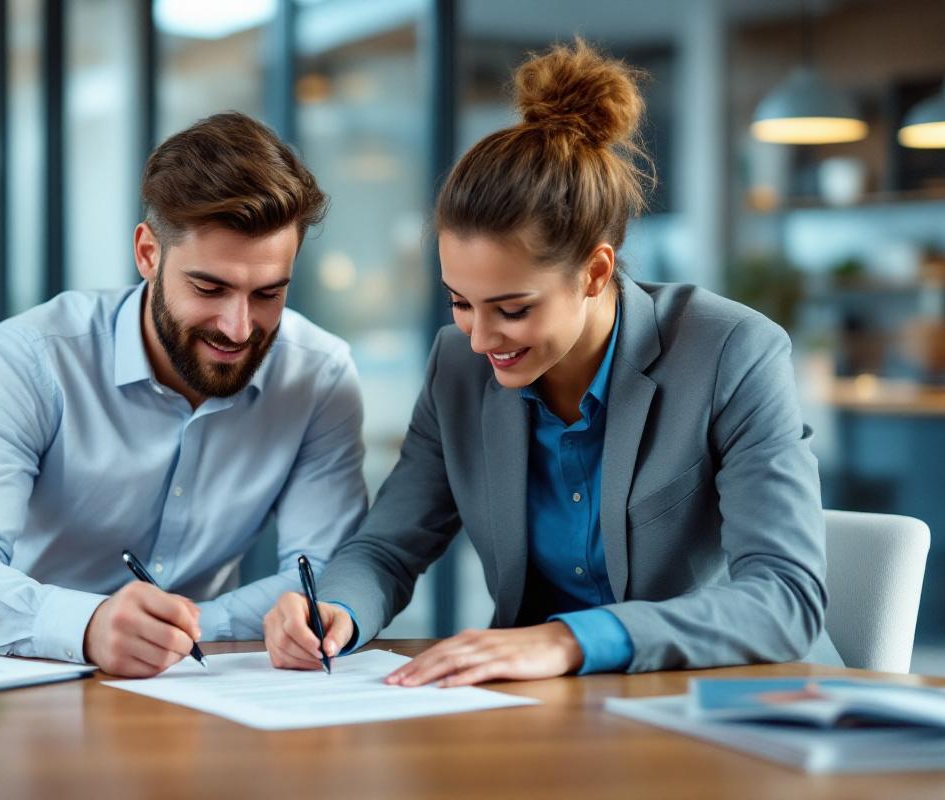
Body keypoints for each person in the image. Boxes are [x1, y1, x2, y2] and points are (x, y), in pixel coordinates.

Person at [263, 40, 841, 684]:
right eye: (460, 302)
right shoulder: (457, 365)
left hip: (729, 705)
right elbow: (387, 547)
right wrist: (334, 609)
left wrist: (573, 640)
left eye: (512, 309)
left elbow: (787, 598)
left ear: (595, 272)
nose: (481, 338)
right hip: (549, 709)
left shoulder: (731, 352)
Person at [0, 112, 368, 677]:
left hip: (201, 692)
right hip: (28, 678)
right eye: (209, 288)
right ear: (148, 253)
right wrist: (89, 624)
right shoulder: (32, 357)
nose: (239, 327)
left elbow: (325, 571)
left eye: (269, 293)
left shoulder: (319, 376)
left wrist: (192, 627)